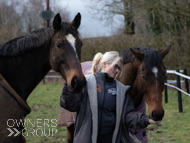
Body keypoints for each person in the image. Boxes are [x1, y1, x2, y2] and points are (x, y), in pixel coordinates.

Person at [60, 51, 160, 143]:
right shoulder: (87, 82)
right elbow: (71, 105)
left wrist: (147, 120)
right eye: (115, 66)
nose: (117, 71)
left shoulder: (121, 90)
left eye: (119, 69)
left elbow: (128, 115)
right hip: (86, 139)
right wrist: (67, 86)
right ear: (104, 64)